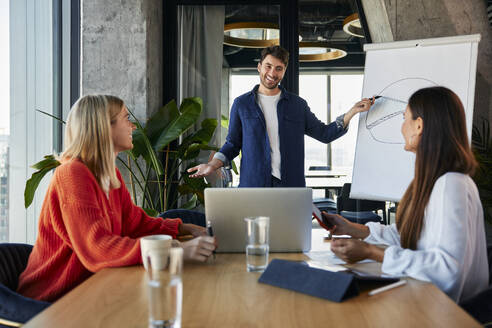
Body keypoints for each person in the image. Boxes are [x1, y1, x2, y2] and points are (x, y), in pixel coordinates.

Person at [17, 95, 216, 302]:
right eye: (126, 118)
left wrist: (185, 228)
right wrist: (176, 251)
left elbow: (135, 224)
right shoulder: (71, 174)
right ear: (103, 127)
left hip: (92, 289)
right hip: (53, 300)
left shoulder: (109, 174)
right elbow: (97, 247)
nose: (133, 127)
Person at [323, 86, 489, 302]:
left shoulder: (451, 184)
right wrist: (352, 229)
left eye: (405, 118)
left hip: (450, 313)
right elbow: (411, 236)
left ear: (419, 125)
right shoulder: (436, 181)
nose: (402, 128)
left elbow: (447, 269)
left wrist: (372, 253)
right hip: (428, 300)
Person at [188, 45, 373, 187]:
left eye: (278, 68)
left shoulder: (297, 105)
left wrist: (352, 112)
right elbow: (232, 144)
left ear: (284, 71)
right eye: (268, 66)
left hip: (290, 187)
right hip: (254, 186)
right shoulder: (241, 104)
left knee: (290, 237)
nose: (272, 73)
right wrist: (213, 164)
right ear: (259, 67)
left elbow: (324, 134)